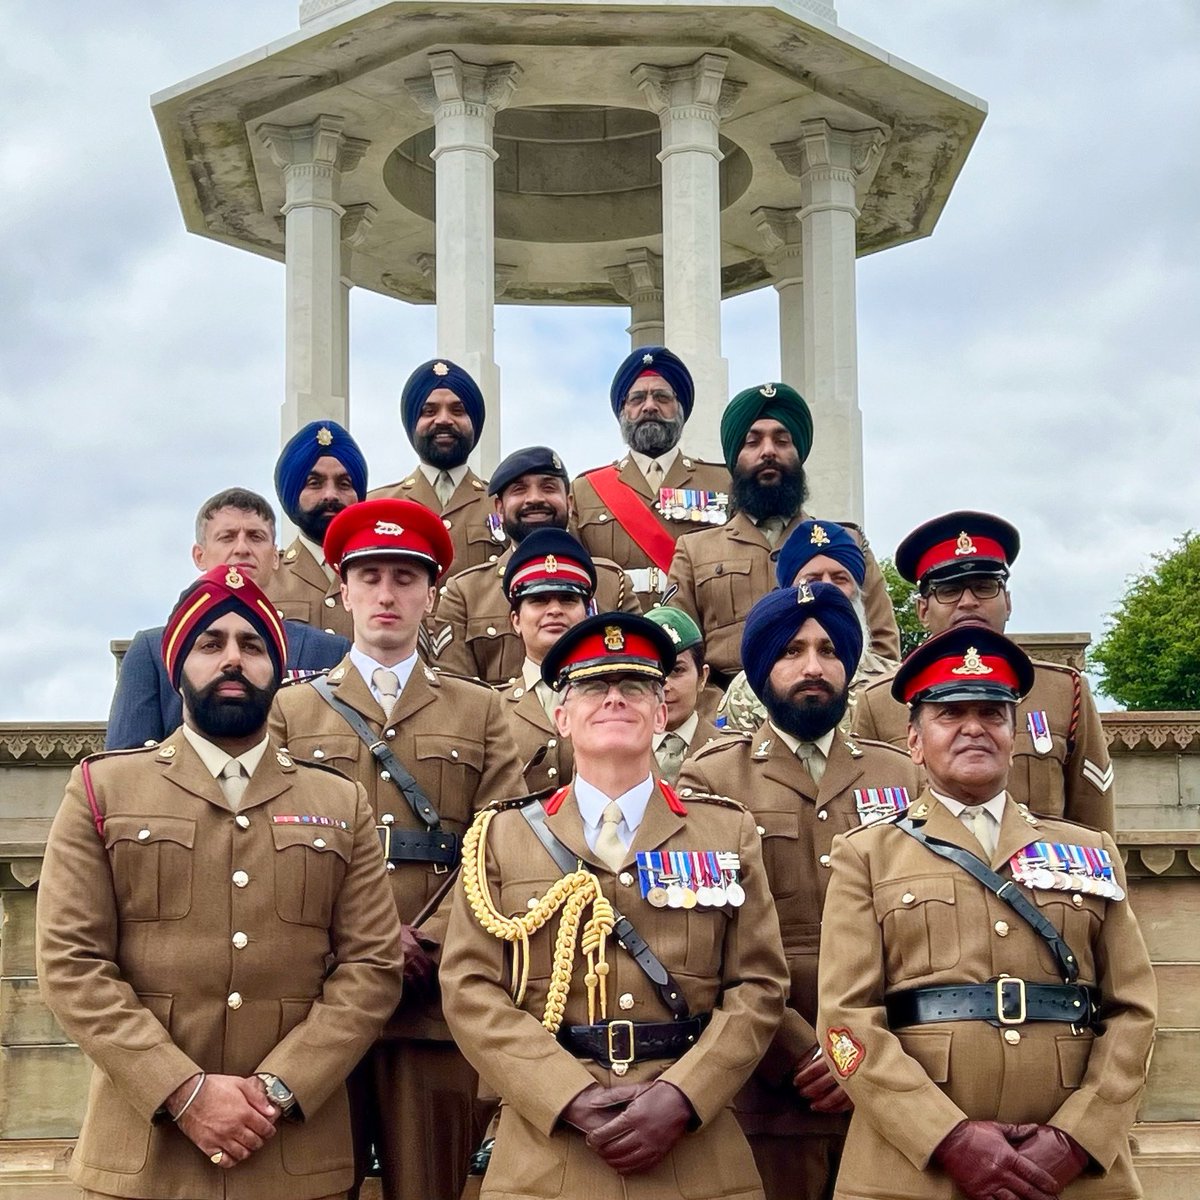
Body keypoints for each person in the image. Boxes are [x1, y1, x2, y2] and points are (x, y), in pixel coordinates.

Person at [37, 564, 403, 1199]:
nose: (233, 659)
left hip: (293, 1154)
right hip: (144, 1160)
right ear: (179, 665)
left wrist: (279, 1088)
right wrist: (182, 1090)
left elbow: (371, 967)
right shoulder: (103, 788)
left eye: (252, 645)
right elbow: (72, 964)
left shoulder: (339, 802)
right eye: (211, 644)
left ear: (277, 670)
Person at [440, 610, 788, 1200]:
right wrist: (564, 1095)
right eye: (593, 687)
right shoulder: (501, 838)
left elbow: (759, 985)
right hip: (548, 1151)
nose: (614, 699)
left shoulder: (726, 832)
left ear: (660, 713)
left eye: (634, 686)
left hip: (692, 1148)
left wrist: (684, 1095)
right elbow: (470, 990)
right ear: (561, 716)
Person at [817, 625, 1156, 1200]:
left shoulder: (1090, 849)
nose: (974, 728)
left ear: (1014, 734)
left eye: (993, 713)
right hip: (917, 1169)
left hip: (1070, 1172)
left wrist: (1077, 1137)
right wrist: (947, 1138)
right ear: (914, 742)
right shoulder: (865, 854)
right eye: (950, 714)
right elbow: (847, 1020)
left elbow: (1135, 1011)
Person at [269, 498, 524, 1200]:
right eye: (371, 576)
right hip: (324, 1002)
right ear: (343, 590)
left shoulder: (482, 711)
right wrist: (375, 941)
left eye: (406, 578)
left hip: (433, 1003)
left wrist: (433, 939)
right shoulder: (291, 713)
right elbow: (269, 847)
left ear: (432, 594)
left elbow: (498, 842)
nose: (388, 594)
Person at [678, 583, 920, 1200]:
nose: (813, 667)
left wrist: (861, 1050)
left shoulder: (903, 774)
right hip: (770, 1078)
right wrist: (803, 1050)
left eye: (829, 650)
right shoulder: (711, 774)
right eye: (791, 651)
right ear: (761, 671)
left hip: (894, 1079)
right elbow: (707, 938)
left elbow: (927, 940)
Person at [850, 510, 1116, 831]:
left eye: (983, 587)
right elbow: (872, 827)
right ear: (923, 610)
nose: (968, 602)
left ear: (1008, 601)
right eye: (949, 591)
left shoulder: (1064, 691)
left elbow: (1093, 828)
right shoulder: (879, 701)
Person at [667, 383, 899, 686]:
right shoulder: (694, 550)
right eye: (752, 442)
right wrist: (718, 714)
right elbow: (678, 653)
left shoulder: (846, 542)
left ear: (798, 453)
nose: (768, 452)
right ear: (734, 458)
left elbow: (883, 648)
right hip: (725, 721)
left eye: (782, 440)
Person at [106, 488, 349, 751]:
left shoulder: (329, 651)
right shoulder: (151, 650)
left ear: (275, 557)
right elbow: (126, 766)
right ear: (199, 556)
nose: (242, 548)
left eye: (256, 537)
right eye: (227, 537)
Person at [435, 445, 639, 682]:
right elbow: (457, 694)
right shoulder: (465, 593)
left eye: (548, 487)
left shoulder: (612, 582)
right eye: (519, 489)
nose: (534, 498)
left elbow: (636, 675)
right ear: (499, 509)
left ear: (570, 502)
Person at [570, 347, 731, 609]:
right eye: (637, 399)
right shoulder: (585, 491)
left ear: (680, 408)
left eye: (661, 397)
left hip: (698, 636)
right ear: (623, 411)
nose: (649, 406)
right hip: (618, 640)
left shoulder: (722, 483)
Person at [718, 520, 898, 733]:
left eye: (840, 579)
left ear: (857, 592)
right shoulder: (746, 688)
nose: (827, 587)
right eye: (812, 580)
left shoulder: (893, 682)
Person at [368, 358, 500, 584]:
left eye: (458, 410)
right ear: (412, 424)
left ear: (474, 422)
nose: (444, 420)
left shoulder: (501, 504)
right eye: (429, 411)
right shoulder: (374, 507)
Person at [495, 528, 599, 792]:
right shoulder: (491, 709)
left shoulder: (615, 699)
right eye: (539, 600)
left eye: (568, 599)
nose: (554, 610)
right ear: (516, 620)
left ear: (586, 614)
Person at [269, 418, 368, 640]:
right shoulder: (266, 578)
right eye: (314, 483)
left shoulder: (383, 573)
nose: (330, 495)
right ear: (292, 493)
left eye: (344, 484)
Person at [641, 606, 726, 781]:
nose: (665, 686)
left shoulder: (730, 752)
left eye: (677, 670)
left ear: (703, 677)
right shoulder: (615, 754)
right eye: (653, 674)